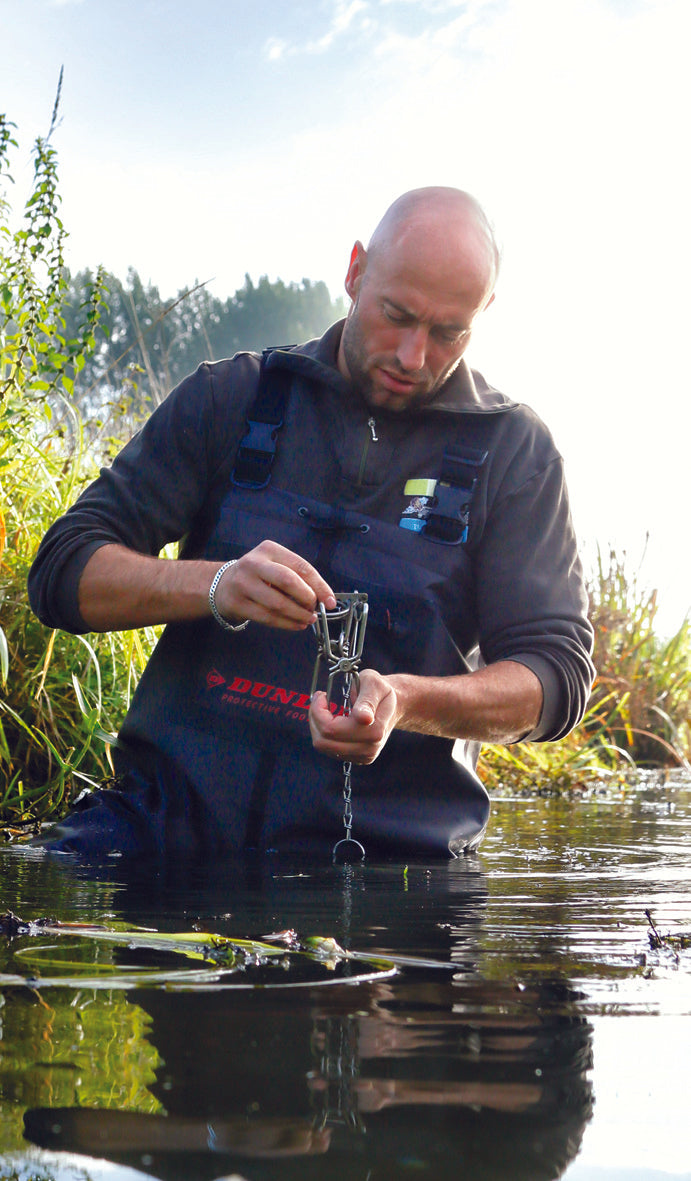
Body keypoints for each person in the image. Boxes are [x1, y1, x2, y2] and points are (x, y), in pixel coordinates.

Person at [28, 187, 594, 861]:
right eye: (396, 315)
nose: (413, 356)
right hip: (160, 830)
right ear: (355, 271)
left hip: (387, 858)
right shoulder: (230, 395)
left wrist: (406, 701)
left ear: (483, 315)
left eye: (448, 332)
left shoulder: (517, 454)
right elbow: (62, 572)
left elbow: (555, 679)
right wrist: (215, 584)